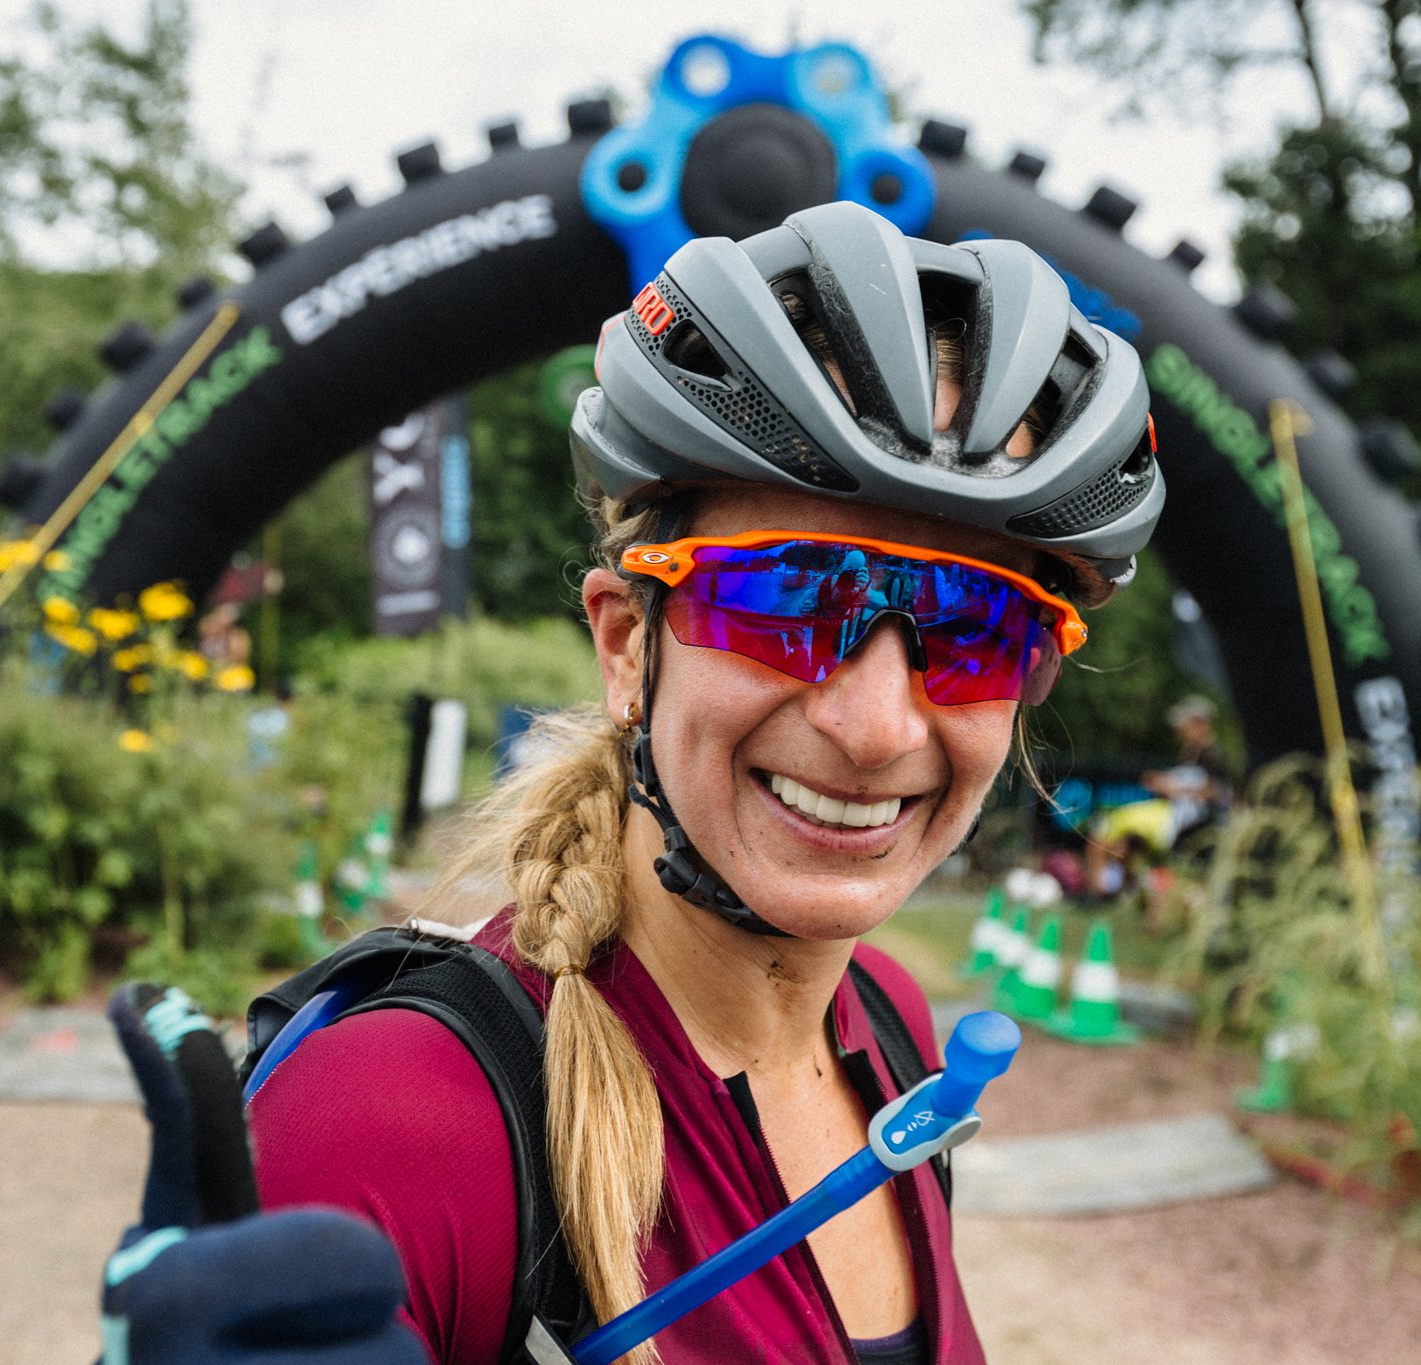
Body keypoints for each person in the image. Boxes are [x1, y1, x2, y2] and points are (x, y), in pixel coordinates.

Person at [100, 201, 1163, 1365]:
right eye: (783, 600)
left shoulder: (893, 1029)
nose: (872, 727)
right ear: (624, 646)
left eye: (974, 632)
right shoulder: (392, 1114)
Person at [1083, 694, 1234, 904]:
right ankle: (1117, 892)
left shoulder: (1212, 754)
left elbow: (1215, 792)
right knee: (1122, 844)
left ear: (1200, 723)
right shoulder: (1190, 752)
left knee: (1109, 830)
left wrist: (1172, 788)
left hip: (1179, 823)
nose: (1179, 730)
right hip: (1169, 817)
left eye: (1185, 725)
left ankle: (1100, 892)